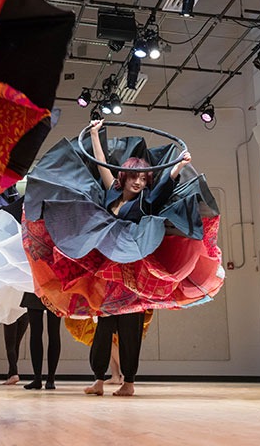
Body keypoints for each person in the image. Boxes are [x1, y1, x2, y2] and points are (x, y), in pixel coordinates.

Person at [83, 119, 191, 397]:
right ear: (125, 176)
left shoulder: (146, 201)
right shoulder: (112, 193)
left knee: (130, 325)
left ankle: (128, 381)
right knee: (103, 323)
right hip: (109, 266)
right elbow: (101, 164)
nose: (141, 182)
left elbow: (165, 187)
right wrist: (95, 133)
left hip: (134, 268)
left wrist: (178, 165)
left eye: (144, 179)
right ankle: (98, 379)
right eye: (136, 177)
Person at [19, 293, 61, 390]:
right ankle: (45, 379)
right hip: (49, 287)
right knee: (42, 333)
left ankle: (45, 378)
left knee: (44, 333)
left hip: (45, 286)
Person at [2, 313, 28, 385]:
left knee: (10, 346)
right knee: (16, 345)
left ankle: (13, 373)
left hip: (11, 313)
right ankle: (11, 374)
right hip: (24, 313)